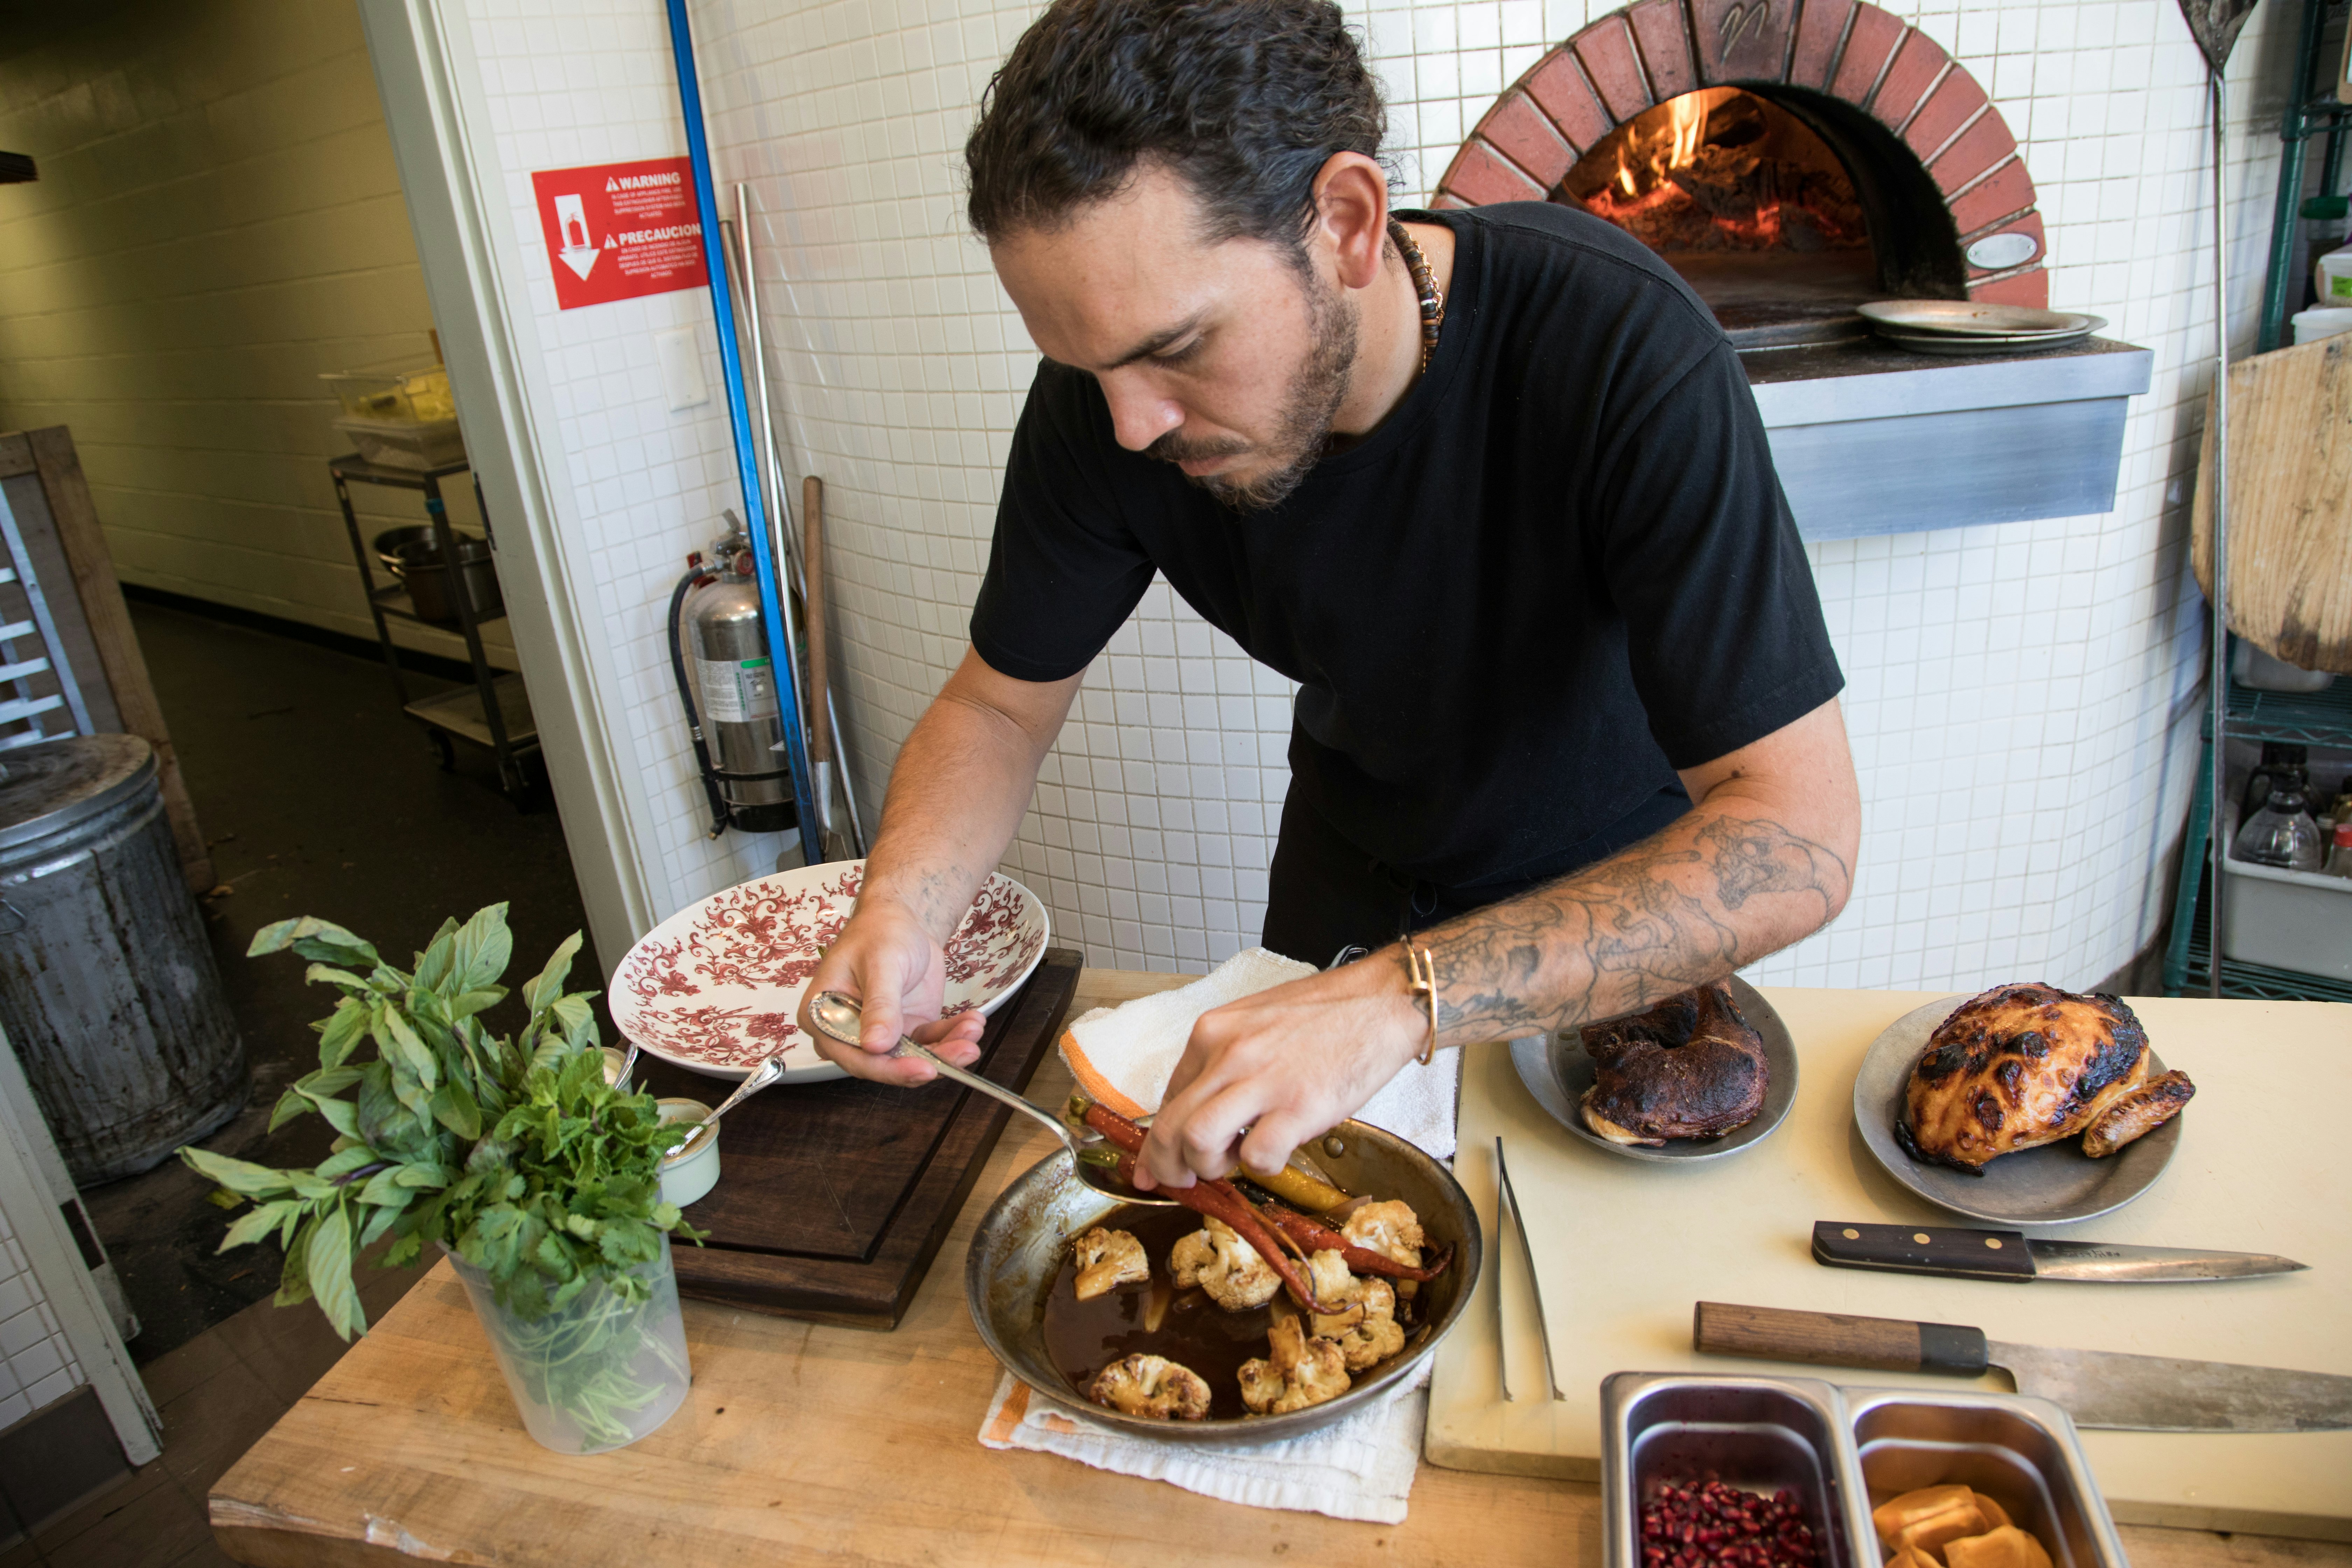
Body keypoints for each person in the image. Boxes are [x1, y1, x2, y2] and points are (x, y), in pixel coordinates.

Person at [799, 0, 1860, 1194]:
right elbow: (999, 708)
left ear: (1347, 223)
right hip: (1343, 899)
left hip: (1606, 958)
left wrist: (1406, 999)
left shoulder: (1620, 348)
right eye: (1087, 366)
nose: (1131, 423)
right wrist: (902, 907)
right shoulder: (1107, 407)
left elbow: (1798, 833)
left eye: (1178, 348)